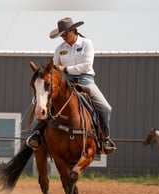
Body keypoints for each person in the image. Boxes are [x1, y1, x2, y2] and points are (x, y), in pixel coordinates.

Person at [26, 17, 115, 154]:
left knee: (105, 107)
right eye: (61, 35)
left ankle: (105, 138)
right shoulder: (59, 49)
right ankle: (36, 133)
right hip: (65, 81)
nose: (63, 38)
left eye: (65, 34)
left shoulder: (86, 43)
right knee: (45, 101)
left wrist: (66, 69)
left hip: (85, 80)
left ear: (73, 30)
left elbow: (87, 65)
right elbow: (54, 68)